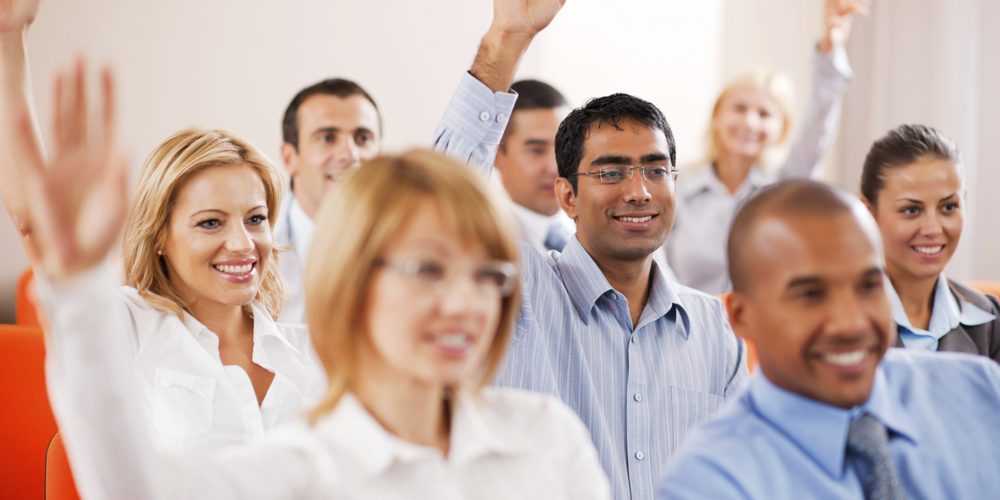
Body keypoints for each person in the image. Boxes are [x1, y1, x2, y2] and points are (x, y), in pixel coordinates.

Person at [29, 64, 610, 497]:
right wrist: (78, 283)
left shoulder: (547, 434)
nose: (464, 303)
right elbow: (134, 486)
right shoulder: (312, 465)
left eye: (488, 275)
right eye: (426, 271)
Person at [436, 13, 748, 497]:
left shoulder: (713, 329)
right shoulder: (521, 291)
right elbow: (439, 204)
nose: (639, 191)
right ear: (567, 197)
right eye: (610, 173)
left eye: (656, 170)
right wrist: (507, 40)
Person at [0, 0, 325, 451]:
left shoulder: (314, 348)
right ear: (159, 239)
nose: (242, 243)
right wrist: (9, 41)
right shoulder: (131, 327)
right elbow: (33, 221)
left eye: (255, 219)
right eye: (210, 223)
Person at [656, 180, 1000, 499]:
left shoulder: (981, 391)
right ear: (741, 317)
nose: (850, 324)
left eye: (869, 286)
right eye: (810, 295)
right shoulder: (707, 484)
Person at [663, 0, 867, 294]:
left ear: (780, 129)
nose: (750, 122)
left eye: (764, 114)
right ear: (717, 116)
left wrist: (830, 48)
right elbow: (655, 259)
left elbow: (819, 127)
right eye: (740, 108)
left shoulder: (783, 186)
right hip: (686, 327)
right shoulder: (678, 187)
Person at [861, 124, 999, 361]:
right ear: (868, 214)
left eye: (949, 207)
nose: (933, 229)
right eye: (911, 210)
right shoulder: (839, 318)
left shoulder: (988, 321)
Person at [274, 78, 381, 322]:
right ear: (290, 158)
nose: (350, 155)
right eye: (328, 138)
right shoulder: (250, 254)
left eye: (362, 138)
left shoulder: (410, 243)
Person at [493, 79, 575, 253]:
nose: (555, 168)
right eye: (536, 150)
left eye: (564, 147)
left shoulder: (589, 236)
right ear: (497, 156)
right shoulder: (486, 244)